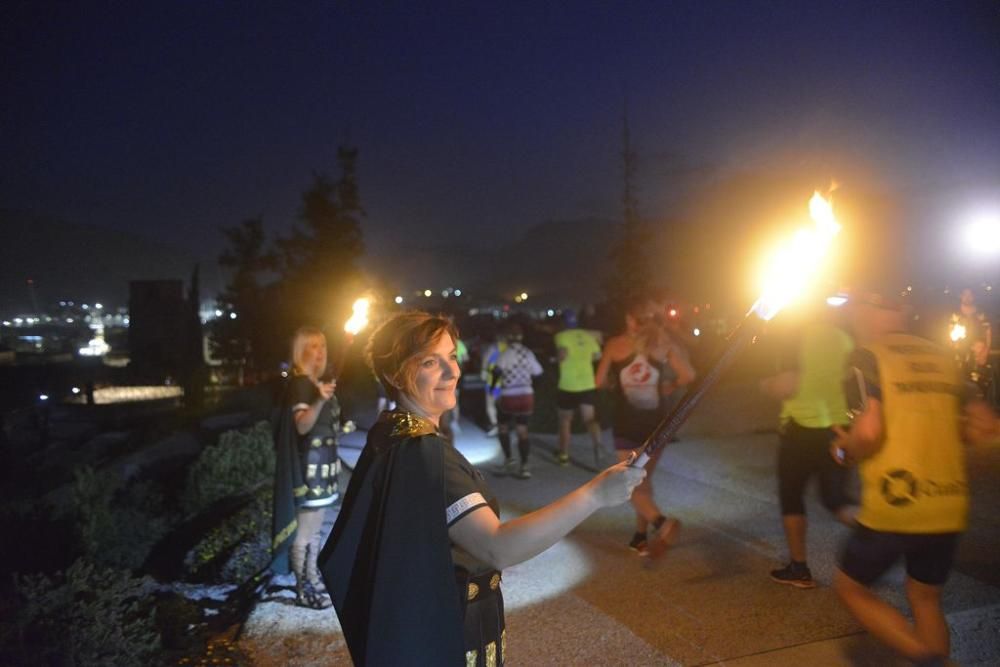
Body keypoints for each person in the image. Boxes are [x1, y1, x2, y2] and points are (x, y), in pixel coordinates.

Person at [319, 311, 645, 666]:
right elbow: (497, 546)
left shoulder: (390, 435)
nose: (452, 372)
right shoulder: (424, 454)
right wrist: (595, 494)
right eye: (431, 361)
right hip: (451, 638)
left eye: (452, 357)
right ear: (392, 374)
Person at [831, 290, 999, 664]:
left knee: (850, 588)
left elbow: (869, 431)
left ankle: (928, 659)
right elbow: (983, 427)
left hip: (897, 502)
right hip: (949, 502)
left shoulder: (866, 357)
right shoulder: (941, 357)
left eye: (856, 306)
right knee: (925, 598)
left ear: (867, 308)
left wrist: (845, 450)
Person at [760, 304, 858, 589]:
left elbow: (787, 385)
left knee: (791, 495)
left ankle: (799, 567)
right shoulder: (844, 337)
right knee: (837, 500)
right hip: (839, 429)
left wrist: (765, 385)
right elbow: (850, 379)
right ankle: (887, 532)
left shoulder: (794, 336)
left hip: (800, 428)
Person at [596, 298, 695, 557]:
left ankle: (661, 523)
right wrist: (668, 387)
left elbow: (599, 381)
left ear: (630, 319)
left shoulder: (615, 345)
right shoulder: (663, 343)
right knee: (643, 480)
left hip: (627, 424)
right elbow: (688, 376)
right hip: (657, 424)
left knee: (629, 483)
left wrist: (616, 386)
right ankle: (639, 537)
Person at [272, 326, 342, 609]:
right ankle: (303, 589)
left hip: (325, 464)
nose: (320, 351)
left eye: (323, 345)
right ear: (301, 351)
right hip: (310, 468)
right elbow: (302, 425)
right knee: (304, 532)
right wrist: (320, 399)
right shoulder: (301, 384)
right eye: (312, 346)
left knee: (315, 531)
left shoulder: (315, 383)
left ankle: (313, 578)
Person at [554, 309, 604, 466]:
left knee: (565, 420)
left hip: (568, 385)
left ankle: (564, 456)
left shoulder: (561, 336)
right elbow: (597, 356)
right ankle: (598, 446)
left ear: (563, 323)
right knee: (590, 419)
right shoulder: (588, 336)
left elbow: (562, 355)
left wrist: (555, 358)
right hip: (587, 384)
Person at [493, 323, 544, 479]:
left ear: (508, 338)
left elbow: (496, 371)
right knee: (523, 430)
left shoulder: (506, 353)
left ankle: (509, 459)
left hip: (509, 395)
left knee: (503, 427)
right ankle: (525, 466)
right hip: (526, 395)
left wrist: (493, 388)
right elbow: (539, 372)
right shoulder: (528, 353)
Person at [950, 287, 993, 401]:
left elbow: (988, 331)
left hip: (977, 353)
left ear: (973, 297)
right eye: (965, 294)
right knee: (960, 381)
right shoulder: (955, 314)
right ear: (961, 296)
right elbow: (950, 333)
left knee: (978, 382)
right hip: (959, 354)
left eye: (970, 295)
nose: (967, 297)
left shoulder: (980, 314)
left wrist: (986, 350)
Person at [480, 330, 508, 436]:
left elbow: (485, 360)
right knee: (502, 406)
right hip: (505, 382)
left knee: (490, 405)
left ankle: (495, 425)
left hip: (492, 381)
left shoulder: (493, 348)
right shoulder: (509, 348)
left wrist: (483, 371)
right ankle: (503, 426)